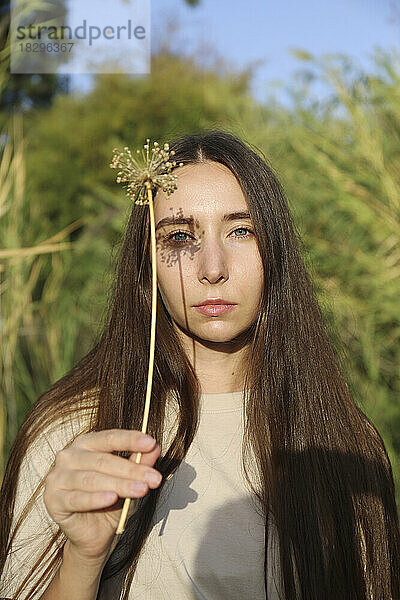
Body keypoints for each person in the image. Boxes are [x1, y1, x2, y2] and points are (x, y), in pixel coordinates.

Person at [0, 129, 399, 600]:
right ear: (147, 261)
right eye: (180, 235)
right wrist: (82, 559)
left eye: (240, 231)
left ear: (276, 250)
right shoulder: (78, 436)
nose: (212, 267)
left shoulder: (343, 444)